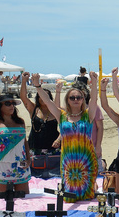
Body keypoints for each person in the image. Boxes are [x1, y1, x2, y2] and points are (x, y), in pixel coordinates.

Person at [32, 72, 99, 202]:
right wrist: (37, 86)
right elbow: (47, 101)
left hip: (87, 161)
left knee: (87, 198)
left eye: (79, 97)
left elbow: (94, 100)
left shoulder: (88, 115)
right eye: (72, 98)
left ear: (83, 99)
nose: (76, 100)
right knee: (70, 199)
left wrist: (94, 83)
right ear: (67, 100)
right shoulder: (61, 115)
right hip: (69, 162)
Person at [0, 76, 31, 194]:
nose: (11, 106)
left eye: (13, 103)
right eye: (7, 103)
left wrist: (29, 159)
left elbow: (25, 142)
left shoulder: (20, 122)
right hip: (2, 163)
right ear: (0, 106)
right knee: (2, 201)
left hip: (21, 163)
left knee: (23, 199)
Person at [19, 72, 60, 158]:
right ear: (37, 98)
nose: (42, 98)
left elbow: (65, 125)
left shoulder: (55, 110)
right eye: (40, 96)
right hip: (35, 147)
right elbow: (23, 97)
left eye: (45, 96)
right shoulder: (33, 109)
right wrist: (24, 81)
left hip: (53, 148)